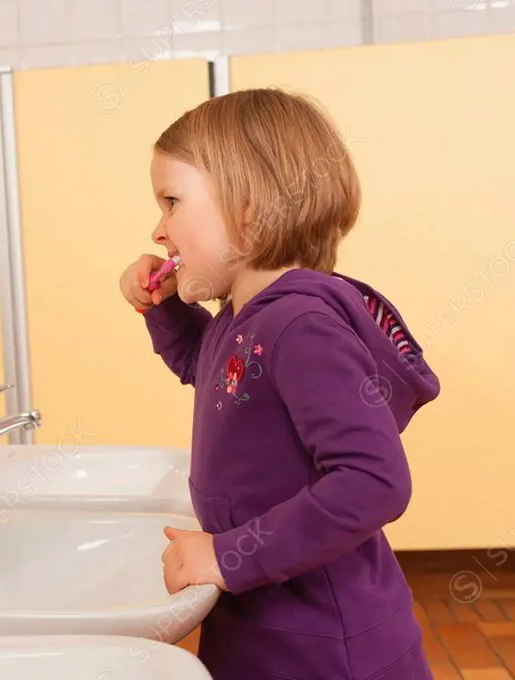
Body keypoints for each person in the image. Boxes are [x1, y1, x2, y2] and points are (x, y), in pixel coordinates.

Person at [119, 88, 441, 679]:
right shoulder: (243, 319)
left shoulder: (300, 327)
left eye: (171, 202)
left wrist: (225, 552)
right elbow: (209, 369)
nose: (158, 230)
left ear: (250, 209)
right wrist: (165, 306)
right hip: (268, 624)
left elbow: (374, 482)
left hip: (328, 648)